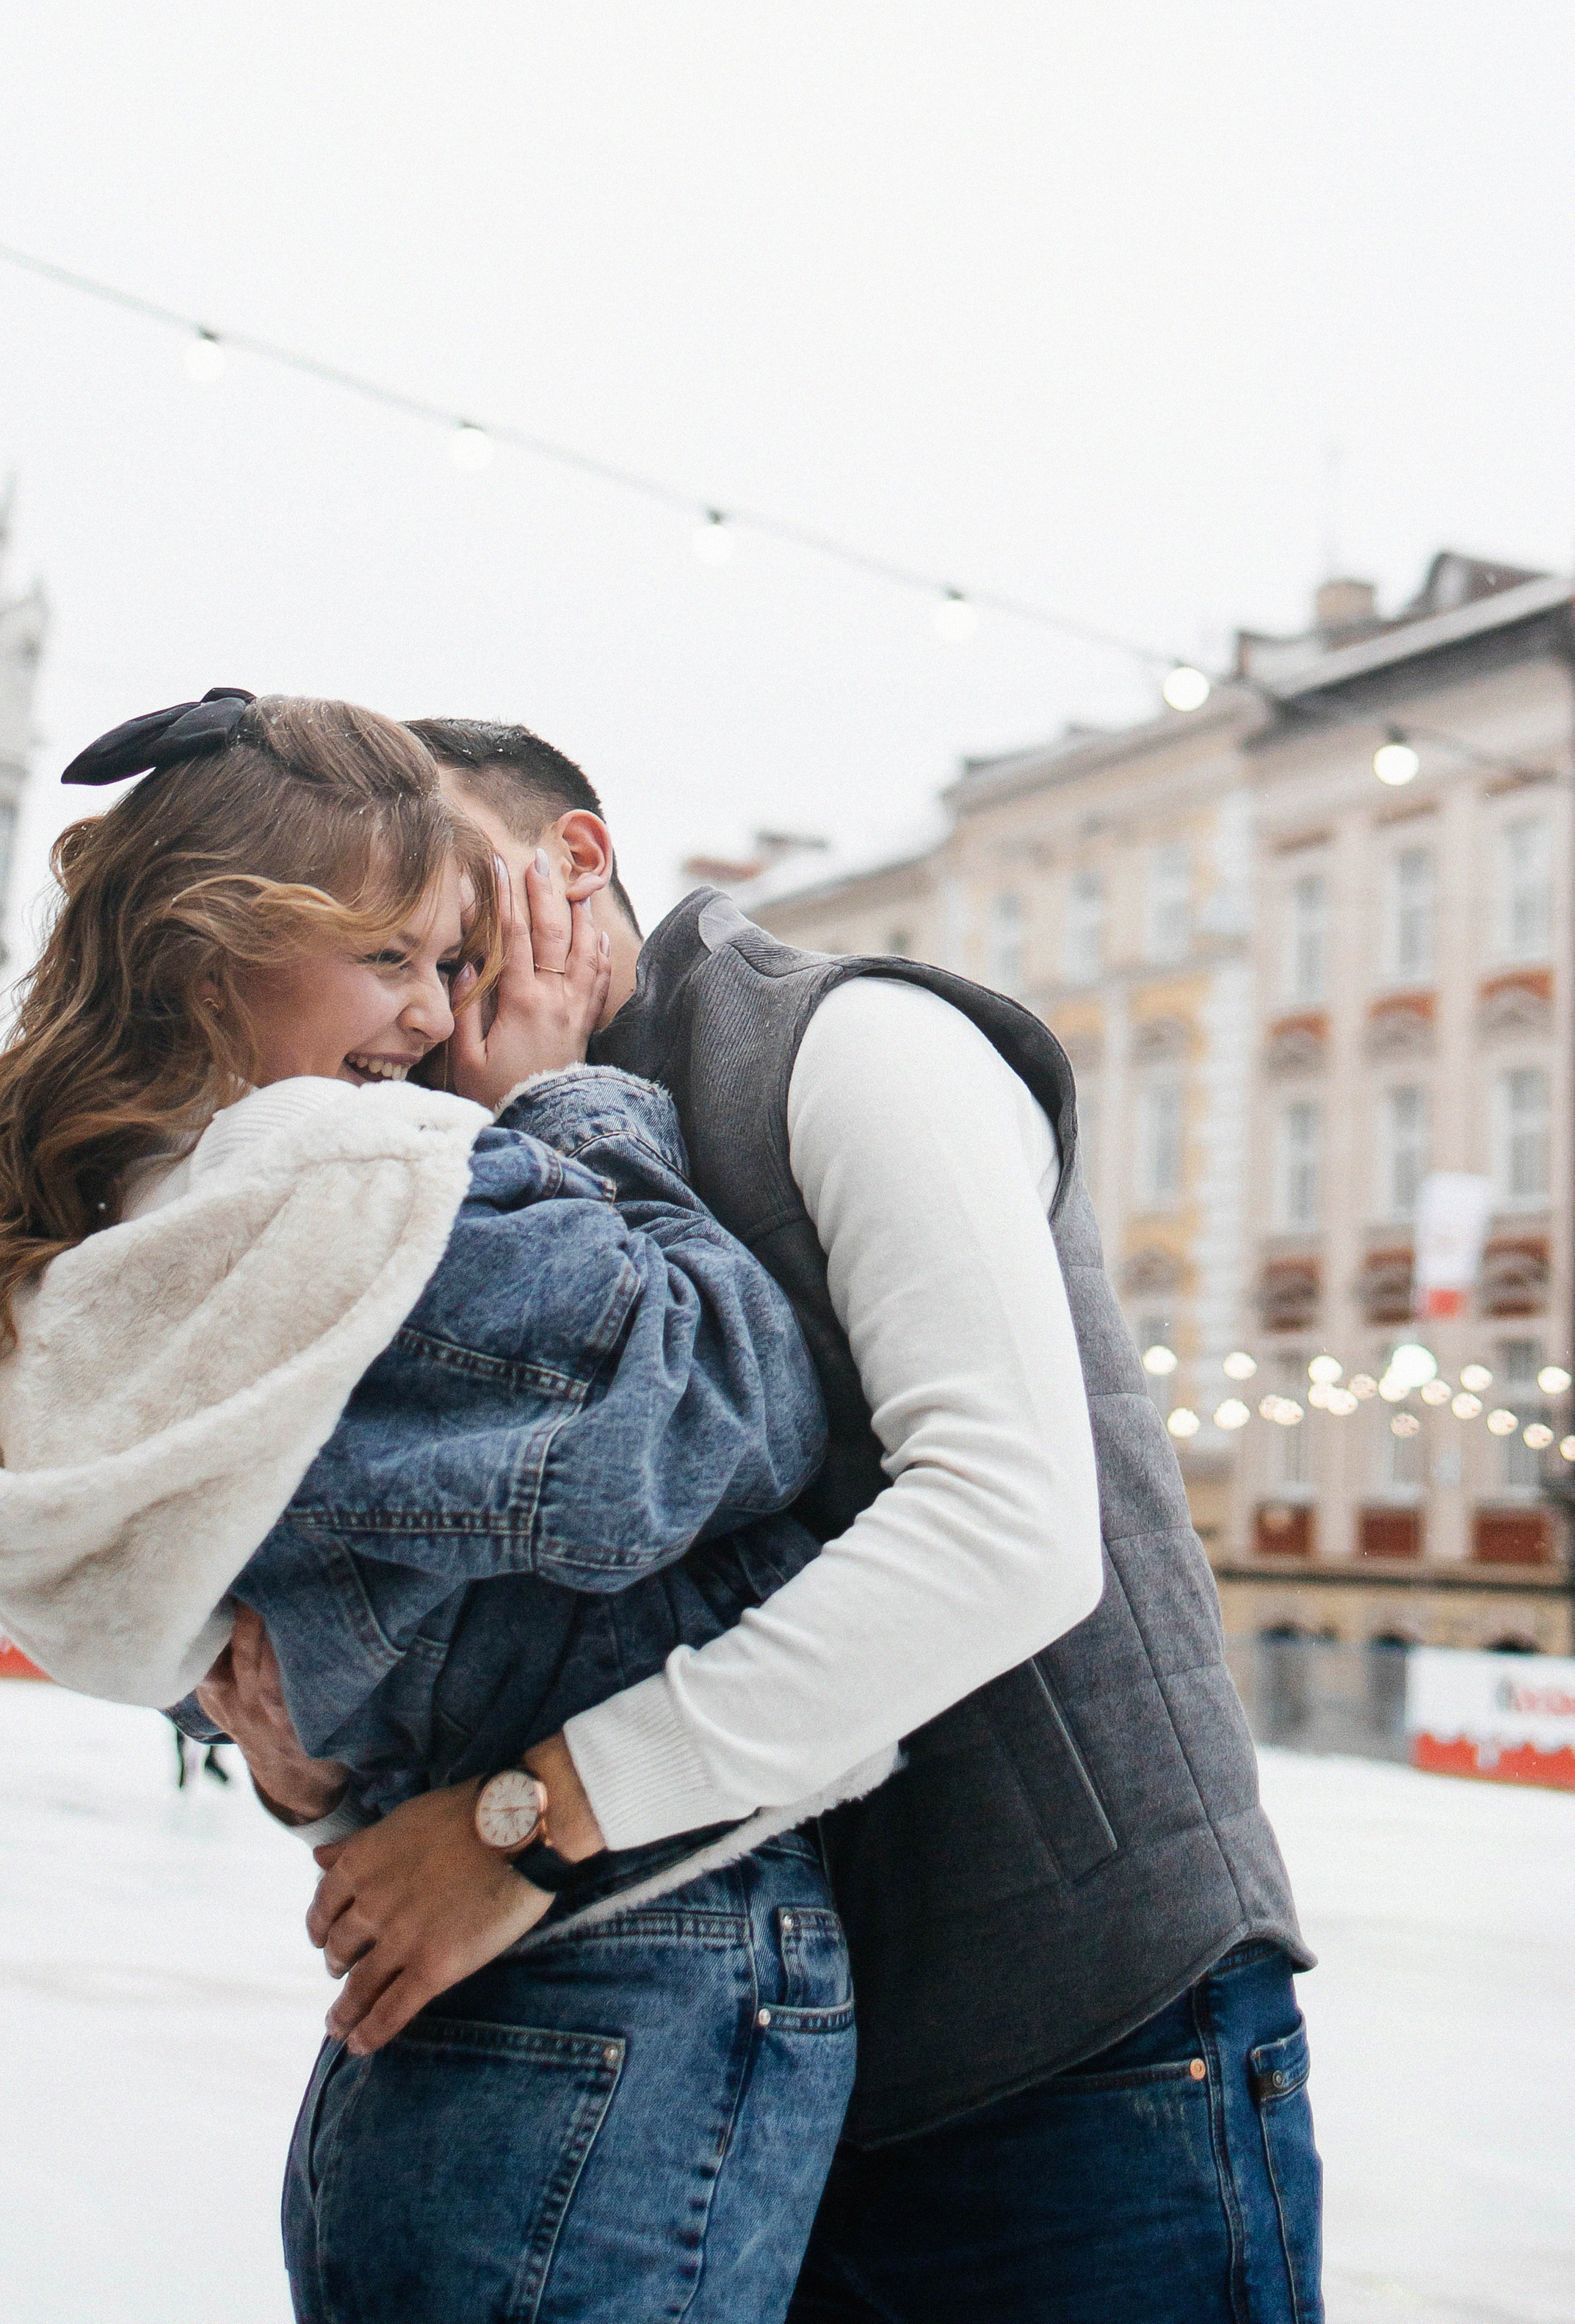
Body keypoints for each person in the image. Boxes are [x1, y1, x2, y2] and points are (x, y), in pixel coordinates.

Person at [231, 717, 1322, 2324]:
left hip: (1082, 2044)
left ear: (575, 863)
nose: (419, 991)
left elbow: (1005, 1530)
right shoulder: (466, 1165)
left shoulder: (845, 1042)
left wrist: (515, 1827)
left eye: (449, 922)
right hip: (746, 2060)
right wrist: (303, 1744)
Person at [0, 691, 859, 2324]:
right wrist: (560, 1102)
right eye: (396, 959)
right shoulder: (364, 1200)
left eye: (452, 967)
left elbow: (302, 1636)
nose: (436, 1021)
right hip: (632, 1953)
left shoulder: (130, 1240)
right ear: (217, 955)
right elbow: (734, 1406)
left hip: (452, 1983)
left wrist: (308, 1768)